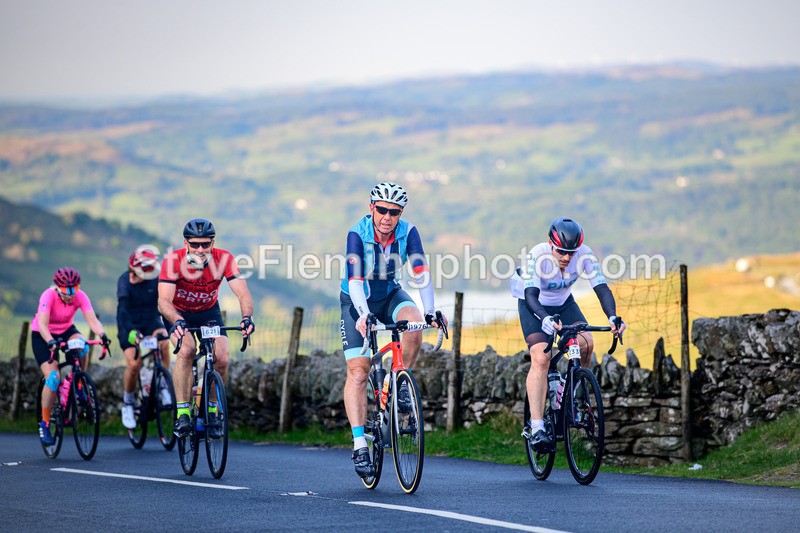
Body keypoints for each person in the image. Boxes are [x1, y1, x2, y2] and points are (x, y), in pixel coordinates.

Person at [340, 181, 447, 479]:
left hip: (389, 295)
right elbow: (355, 282)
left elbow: (421, 273)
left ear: (401, 213)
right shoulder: (357, 234)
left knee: (413, 323)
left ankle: (399, 379)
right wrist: (363, 315)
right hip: (355, 300)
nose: (387, 217)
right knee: (359, 372)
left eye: (394, 212)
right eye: (383, 210)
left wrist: (429, 311)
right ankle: (360, 443)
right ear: (372, 208)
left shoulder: (409, 233)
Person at [513, 217, 625, 452]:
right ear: (550, 244)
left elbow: (601, 287)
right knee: (541, 358)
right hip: (534, 304)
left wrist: (613, 317)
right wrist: (544, 318)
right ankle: (537, 427)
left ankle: (572, 393)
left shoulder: (585, 254)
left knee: (586, 342)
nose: (566, 257)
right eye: (561, 251)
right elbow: (532, 295)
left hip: (564, 303)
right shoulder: (538, 254)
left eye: (571, 253)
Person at [158, 218, 255, 439]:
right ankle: (183, 413)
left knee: (222, 358)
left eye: (206, 244)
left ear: (213, 243)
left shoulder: (224, 258)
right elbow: (163, 301)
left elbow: (242, 292)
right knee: (186, 350)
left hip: (208, 312)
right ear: (186, 243)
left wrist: (247, 317)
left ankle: (212, 409)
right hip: (177, 313)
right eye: (195, 244)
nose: (200, 249)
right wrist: (177, 320)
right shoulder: (172, 260)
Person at [31, 267, 110, 445]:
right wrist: (51, 341)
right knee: (53, 377)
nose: (71, 294)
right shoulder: (48, 296)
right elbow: (42, 325)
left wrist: (102, 335)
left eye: (75, 289)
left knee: (83, 347)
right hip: (43, 335)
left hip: (66, 330)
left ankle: (79, 383)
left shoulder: (80, 296)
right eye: (67, 291)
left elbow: (91, 320)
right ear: (58, 288)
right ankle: (44, 423)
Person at [117, 245, 172, 430]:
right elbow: (123, 312)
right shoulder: (124, 281)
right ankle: (128, 402)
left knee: (164, 341)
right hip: (129, 324)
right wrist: (132, 333)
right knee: (134, 364)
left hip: (150, 321)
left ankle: (163, 383)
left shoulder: (154, 278)